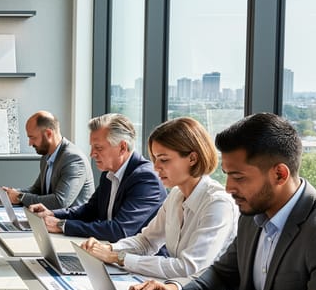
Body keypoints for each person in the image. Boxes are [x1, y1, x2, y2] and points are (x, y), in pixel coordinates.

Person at [126, 113, 316, 290]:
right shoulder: (252, 214)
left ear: (279, 174)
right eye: (227, 175)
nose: (230, 187)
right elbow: (224, 276)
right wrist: (176, 289)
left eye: (239, 177)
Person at [79, 117, 238, 279]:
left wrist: (118, 258)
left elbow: (188, 267)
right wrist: (108, 249)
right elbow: (146, 242)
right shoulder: (176, 195)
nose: (156, 167)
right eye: (155, 159)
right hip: (178, 289)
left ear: (192, 158)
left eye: (163, 160)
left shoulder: (217, 204)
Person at [28, 113, 167, 242]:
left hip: (138, 263)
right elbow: (89, 210)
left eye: (98, 148)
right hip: (109, 251)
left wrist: (61, 225)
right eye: (92, 147)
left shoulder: (146, 179)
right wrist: (52, 214)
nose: (92, 154)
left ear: (122, 147)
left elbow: (119, 230)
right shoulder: (109, 173)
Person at [2, 111, 94, 209]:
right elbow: (37, 189)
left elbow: (59, 201)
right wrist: (13, 193)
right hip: (49, 218)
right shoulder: (47, 156)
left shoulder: (73, 159)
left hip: (69, 222)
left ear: (48, 133)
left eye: (32, 137)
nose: (30, 143)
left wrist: (20, 197)